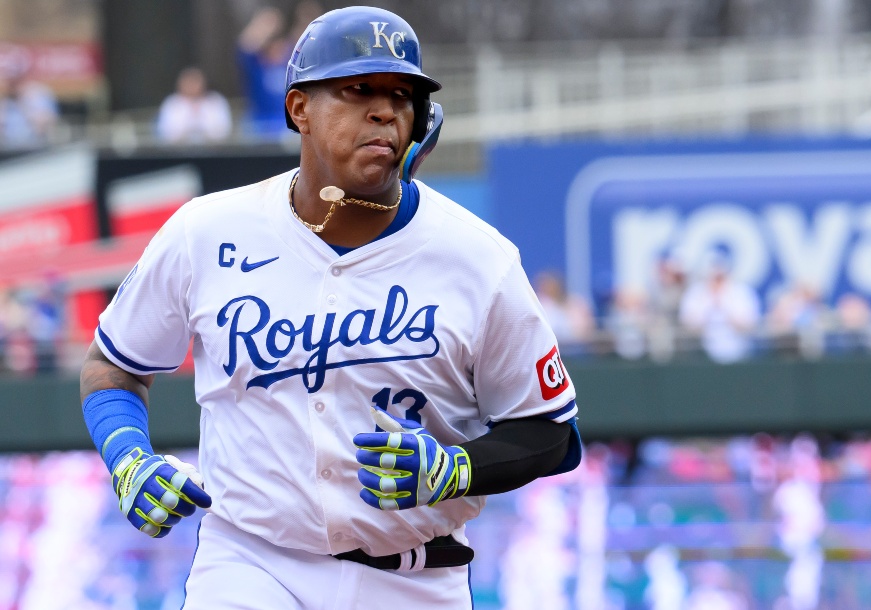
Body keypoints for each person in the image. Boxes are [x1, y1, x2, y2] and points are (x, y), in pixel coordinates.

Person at [79, 7, 581, 609]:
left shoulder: (478, 258)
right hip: (250, 561)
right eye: (357, 89)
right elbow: (113, 366)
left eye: (403, 94)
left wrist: (457, 468)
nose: (385, 109)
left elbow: (553, 433)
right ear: (299, 110)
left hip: (414, 578)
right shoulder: (207, 231)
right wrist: (128, 456)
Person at [678, 253, 761, 363]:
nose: (716, 282)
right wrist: (708, 304)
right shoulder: (696, 293)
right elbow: (688, 325)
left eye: (720, 277)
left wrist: (724, 305)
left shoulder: (742, 292)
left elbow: (749, 325)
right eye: (713, 277)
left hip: (740, 354)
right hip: (703, 356)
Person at [236, 7, 293, 139]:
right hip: (259, 125)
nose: (278, 51)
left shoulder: (291, 69)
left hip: (287, 126)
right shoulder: (257, 70)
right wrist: (265, 24)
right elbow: (244, 47)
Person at [156, 67, 232, 144]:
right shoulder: (171, 103)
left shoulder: (215, 100)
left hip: (213, 151)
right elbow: (166, 133)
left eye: (195, 81)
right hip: (178, 152)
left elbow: (223, 131)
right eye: (188, 82)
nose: (192, 86)